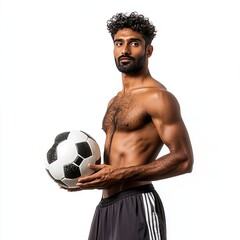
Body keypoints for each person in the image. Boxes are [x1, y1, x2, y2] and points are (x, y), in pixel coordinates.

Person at [75, 12, 193, 240]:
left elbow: (184, 159)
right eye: (119, 43)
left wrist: (119, 175)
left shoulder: (158, 97)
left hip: (137, 202)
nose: (125, 50)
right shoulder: (115, 101)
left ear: (148, 50)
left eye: (134, 43)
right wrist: (82, 177)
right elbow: (116, 159)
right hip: (105, 207)